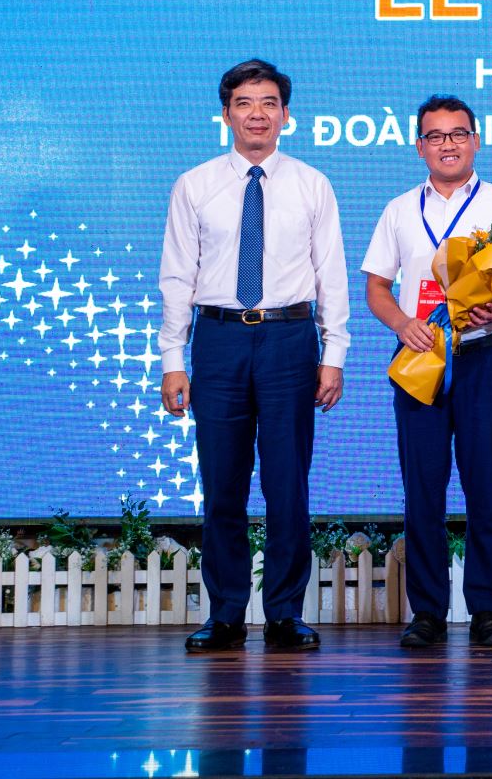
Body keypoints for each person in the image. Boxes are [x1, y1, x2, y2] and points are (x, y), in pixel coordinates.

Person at [159, 59, 350, 653]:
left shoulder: (312, 184)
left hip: (289, 339)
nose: (257, 114)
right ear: (226, 115)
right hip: (217, 341)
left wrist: (334, 352)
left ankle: (285, 613)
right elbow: (176, 276)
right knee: (222, 483)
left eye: (269, 103)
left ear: (286, 115)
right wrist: (172, 358)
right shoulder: (195, 185)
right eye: (245, 103)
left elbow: (332, 274)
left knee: (287, 483)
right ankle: (225, 614)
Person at [363, 95, 492, 649]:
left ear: (475, 141)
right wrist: (401, 324)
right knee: (422, 488)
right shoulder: (398, 210)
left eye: (458, 134)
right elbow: (376, 286)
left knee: (487, 486)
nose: (448, 145)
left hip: (484, 357)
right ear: (420, 146)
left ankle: (487, 610)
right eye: (435, 136)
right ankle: (427, 612)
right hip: (420, 358)